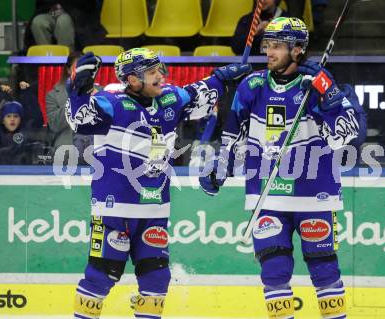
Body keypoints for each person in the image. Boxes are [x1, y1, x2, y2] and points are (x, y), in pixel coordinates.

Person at [200, 17, 366, 319]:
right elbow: (232, 136)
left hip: (315, 193)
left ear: (298, 49)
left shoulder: (317, 83)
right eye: (267, 45)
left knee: (323, 268)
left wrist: (329, 98)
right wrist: (220, 168)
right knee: (274, 270)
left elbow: (348, 134)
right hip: (267, 194)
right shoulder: (252, 85)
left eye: (277, 46)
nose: (269, 53)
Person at [67, 47, 250, 319]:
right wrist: (78, 89)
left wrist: (222, 77)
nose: (160, 76)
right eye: (152, 72)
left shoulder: (170, 99)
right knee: (101, 275)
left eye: (159, 69)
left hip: (155, 210)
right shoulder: (110, 102)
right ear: (132, 79)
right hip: (114, 210)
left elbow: (199, 91)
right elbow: (78, 119)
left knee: (156, 279)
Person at [46, 51, 93, 163]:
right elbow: (55, 125)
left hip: (94, 147)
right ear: (68, 70)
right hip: (66, 150)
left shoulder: (100, 91)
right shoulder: (53, 95)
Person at [24, 0, 106, 52]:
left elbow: (90, 5)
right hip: (50, 11)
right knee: (38, 22)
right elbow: (40, 3)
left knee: (64, 21)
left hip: (76, 15)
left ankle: (68, 63)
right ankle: (46, 61)